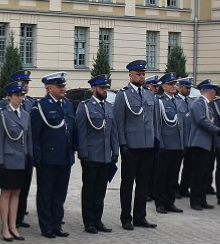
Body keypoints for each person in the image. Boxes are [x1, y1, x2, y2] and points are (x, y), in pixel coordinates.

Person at [30, 72, 77, 238]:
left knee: (60, 194)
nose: (63, 88)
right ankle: (46, 226)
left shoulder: (67, 105)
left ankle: (57, 224)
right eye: (59, 86)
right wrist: (37, 155)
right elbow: (35, 134)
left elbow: (72, 129)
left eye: (63, 85)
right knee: (46, 193)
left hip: (65, 157)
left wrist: (74, 150)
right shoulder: (41, 106)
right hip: (48, 157)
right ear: (49, 88)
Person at [113, 59, 157, 230]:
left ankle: (140, 216)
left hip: (147, 145)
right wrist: (122, 145)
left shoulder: (148, 94)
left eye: (143, 74)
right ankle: (126, 218)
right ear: (130, 75)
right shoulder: (123, 95)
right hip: (131, 146)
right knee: (127, 184)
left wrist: (154, 141)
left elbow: (152, 121)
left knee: (143, 184)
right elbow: (118, 122)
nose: (141, 76)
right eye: (138, 74)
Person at [76, 74, 117, 233]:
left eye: (106, 87)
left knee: (101, 190)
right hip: (91, 155)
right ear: (94, 88)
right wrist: (83, 154)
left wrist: (115, 151)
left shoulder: (108, 106)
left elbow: (113, 131)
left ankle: (98, 219)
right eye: (102, 88)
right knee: (89, 190)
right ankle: (89, 222)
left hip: (106, 155)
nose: (105, 90)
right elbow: (81, 132)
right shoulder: (85, 107)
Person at [0, 82, 31, 241]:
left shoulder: (25, 115)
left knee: (17, 193)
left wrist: (29, 156)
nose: (20, 98)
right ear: (9, 96)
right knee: (6, 193)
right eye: (17, 95)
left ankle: (13, 225)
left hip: (20, 159)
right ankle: (4, 228)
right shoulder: (1, 115)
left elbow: (27, 139)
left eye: (21, 95)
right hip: (7, 159)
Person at [185, 80, 220, 211]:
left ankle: (202, 199)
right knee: (198, 173)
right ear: (211, 92)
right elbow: (201, 120)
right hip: (199, 143)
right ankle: (195, 200)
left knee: (205, 173)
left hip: (207, 143)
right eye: (214, 93)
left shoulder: (207, 104)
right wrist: (216, 130)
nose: (215, 95)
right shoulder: (198, 103)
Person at [153, 73, 186, 214]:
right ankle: (160, 203)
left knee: (173, 175)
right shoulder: (159, 101)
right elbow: (157, 125)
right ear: (163, 86)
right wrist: (160, 144)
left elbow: (183, 124)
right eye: (170, 84)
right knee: (162, 175)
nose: (174, 86)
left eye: (175, 84)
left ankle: (170, 201)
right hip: (165, 144)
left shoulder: (179, 101)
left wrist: (184, 143)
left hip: (178, 144)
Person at [11, 70, 35, 229]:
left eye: (27, 83)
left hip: (27, 151)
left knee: (25, 186)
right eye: (22, 83)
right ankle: (11, 217)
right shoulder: (5, 105)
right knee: (13, 187)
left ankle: (20, 216)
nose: (25, 86)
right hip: (12, 153)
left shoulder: (32, 103)